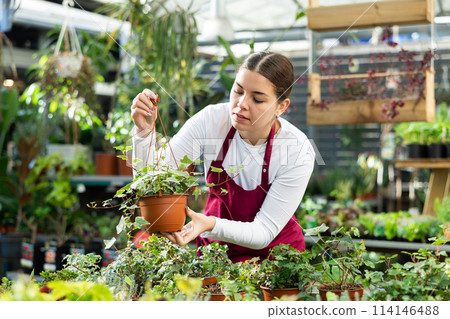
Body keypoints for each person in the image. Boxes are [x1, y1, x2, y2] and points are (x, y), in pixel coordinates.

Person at [131, 51, 315, 263]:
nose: (241, 104)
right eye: (237, 91)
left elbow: (264, 231)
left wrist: (210, 225)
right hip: (216, 256)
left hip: (277, 259)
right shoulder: (212, 121)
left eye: (257, 99)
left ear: (281, 107)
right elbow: (154, 179)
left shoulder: (296, 149)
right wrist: (143, 133)